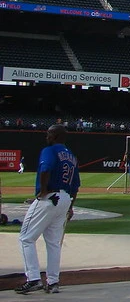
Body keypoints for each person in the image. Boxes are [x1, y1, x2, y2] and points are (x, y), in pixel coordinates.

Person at [16, 124, 80, 295]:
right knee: (53, 244)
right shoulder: (71, 156)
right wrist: (70, 207)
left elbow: (45, 169)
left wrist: (43, 191)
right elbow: (76, 186)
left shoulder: (49, 151)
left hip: (50, 197)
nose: (47, 137)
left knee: (26, 238)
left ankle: (33, 279)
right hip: (65, 199)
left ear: (55, 136)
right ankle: (53, 282)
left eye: (49, 134)